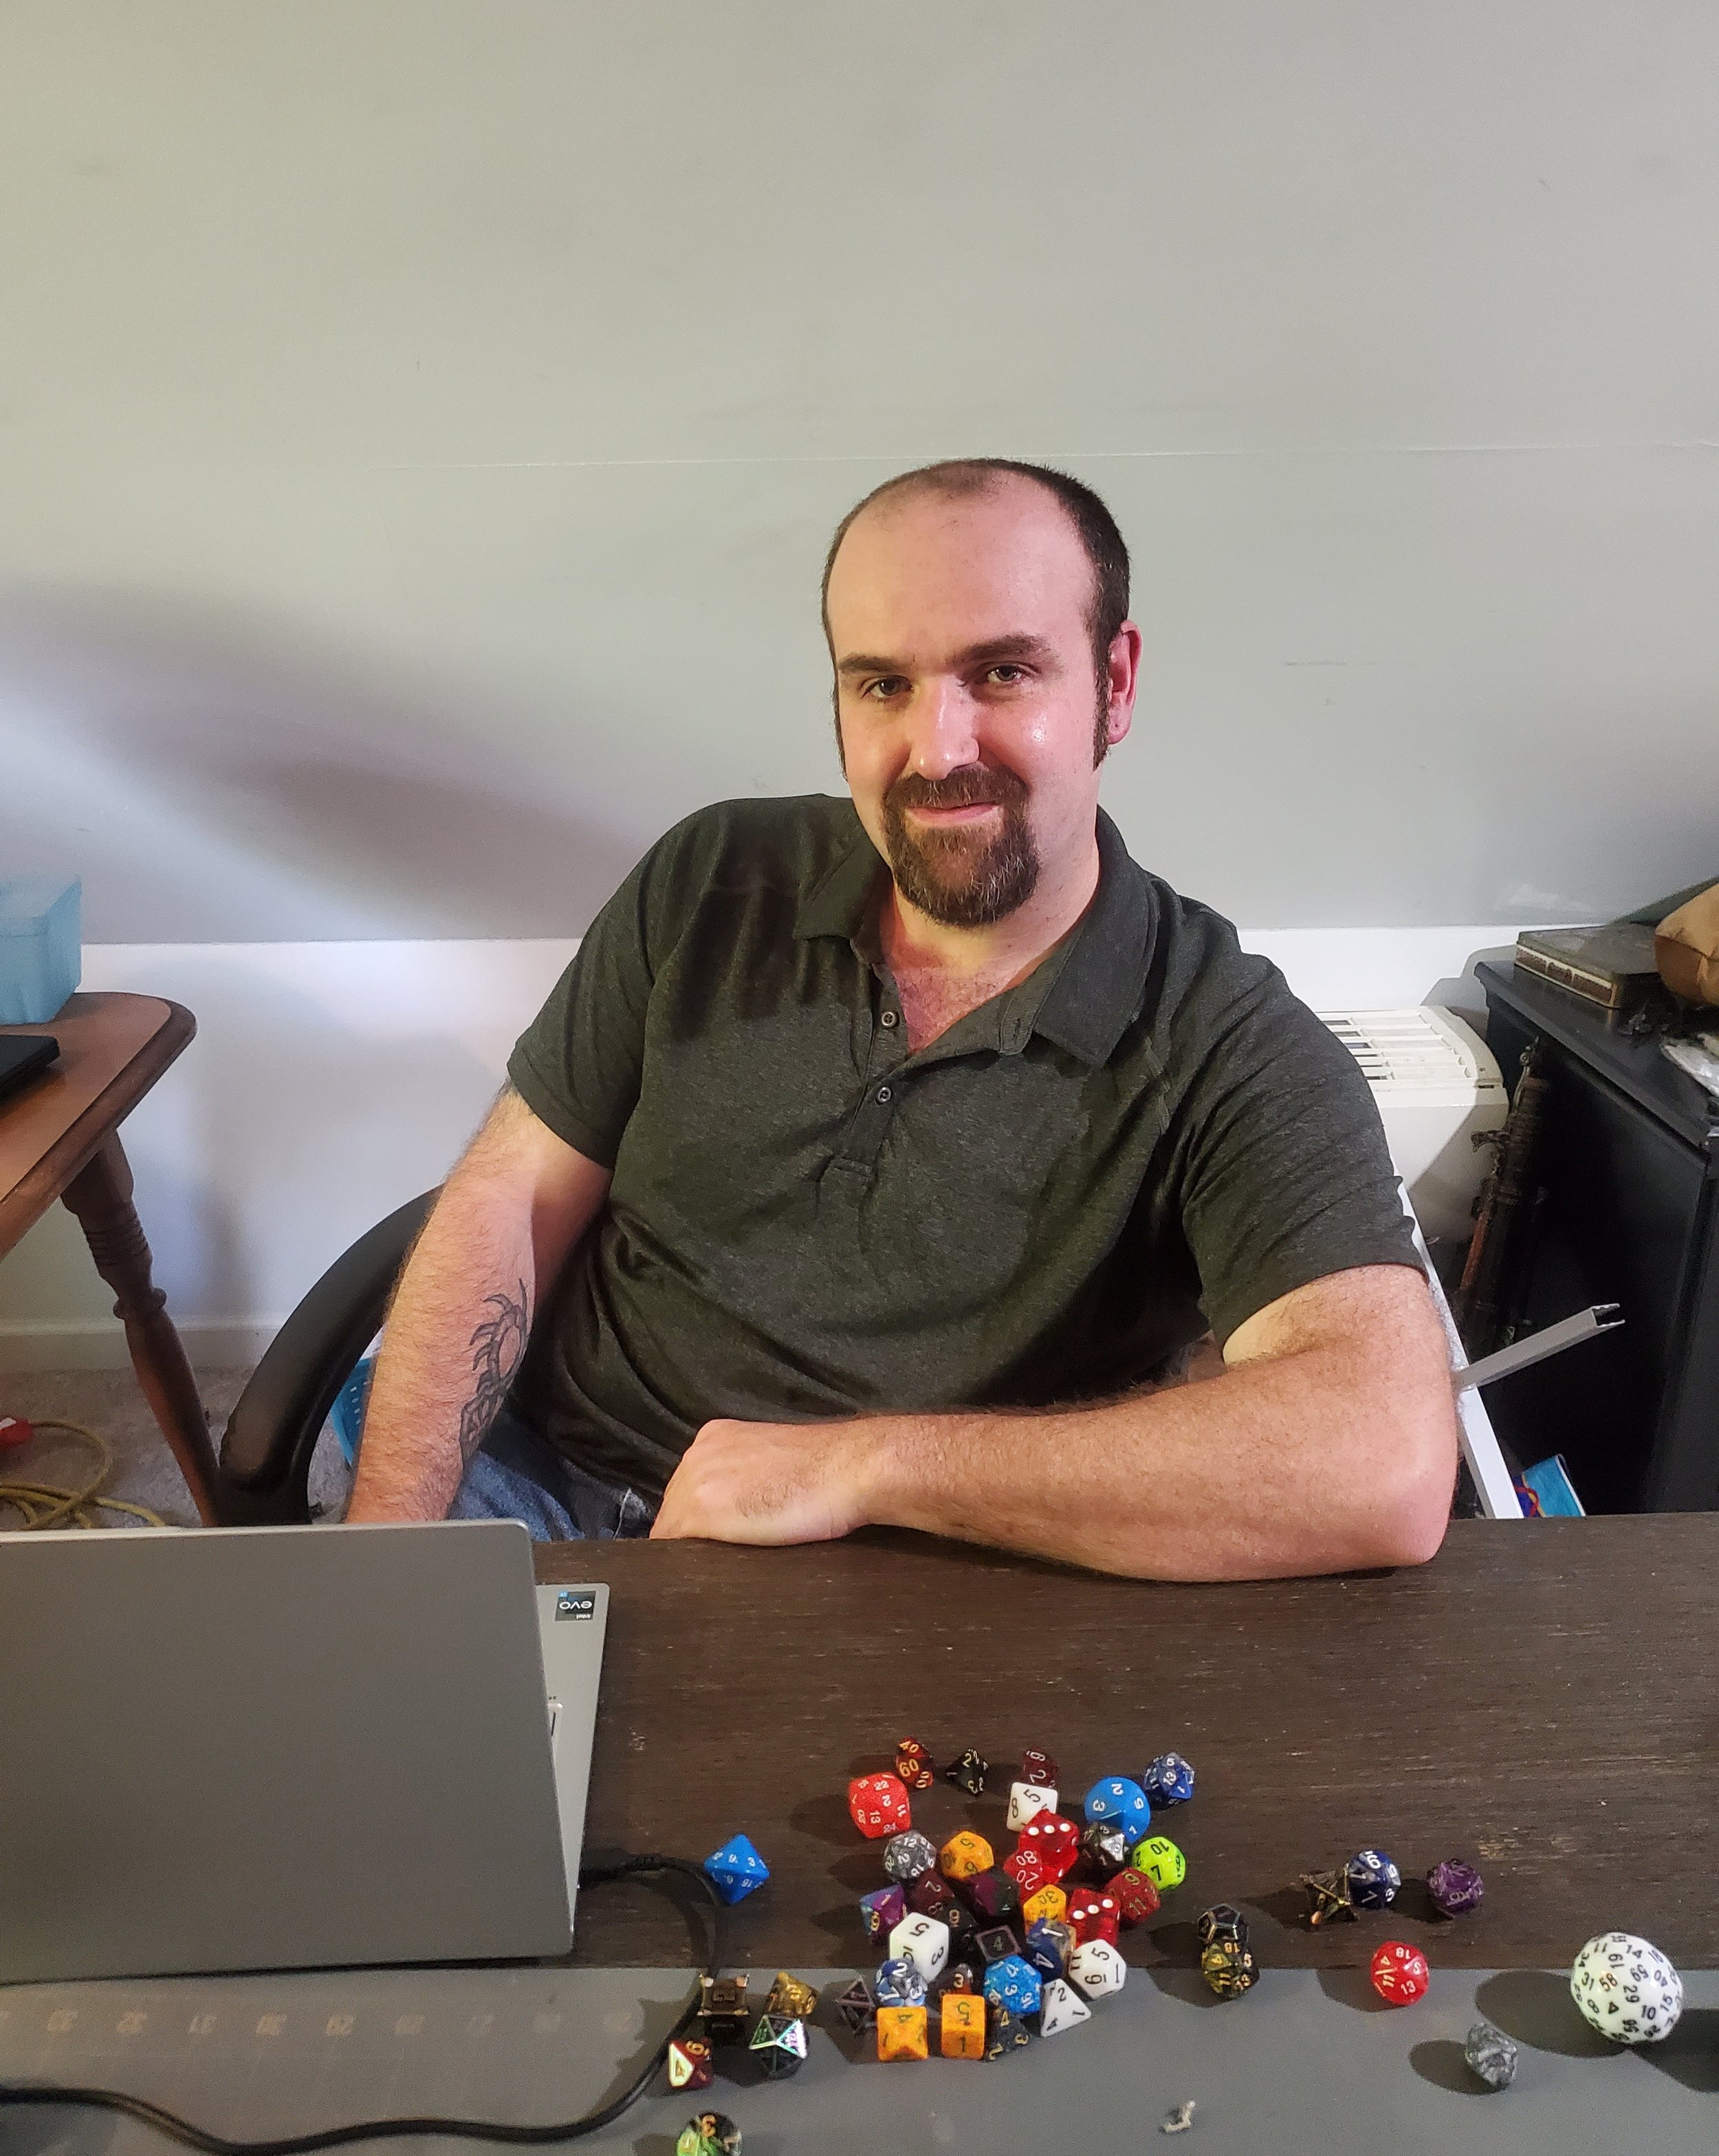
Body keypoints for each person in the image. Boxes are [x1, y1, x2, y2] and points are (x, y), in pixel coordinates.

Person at [349, 459, 1456, 1578]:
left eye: (1004, 673)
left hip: (855, 1573)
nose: (938, 750)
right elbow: (509, 1190)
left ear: (1114, 683)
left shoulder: (1224, 1040)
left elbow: (1384, 1458)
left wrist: (861, 1466)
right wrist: (389, 1556)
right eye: (881, 685)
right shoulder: (714, 876)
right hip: (518, 1480)